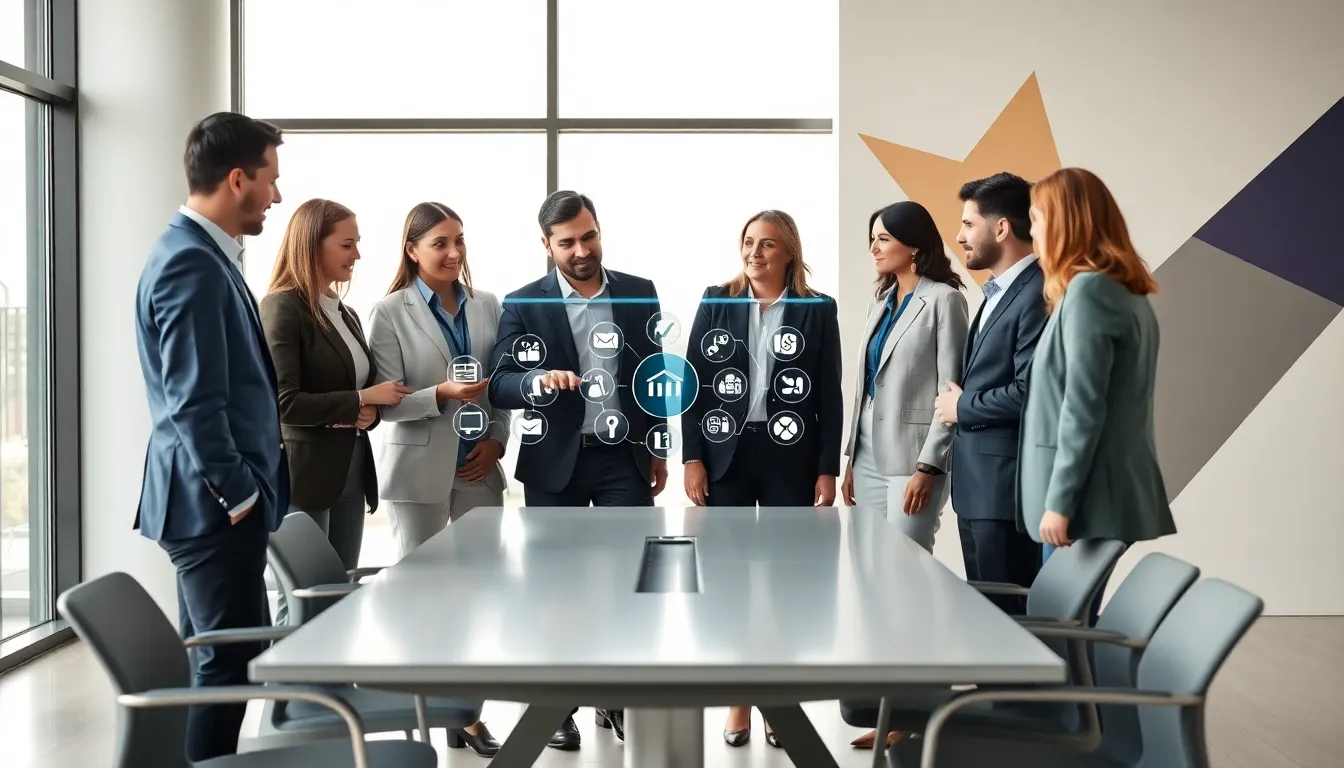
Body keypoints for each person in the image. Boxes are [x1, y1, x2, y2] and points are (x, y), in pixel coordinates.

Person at [487, 190, 667, 750]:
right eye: (567, 243)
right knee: (555, 590)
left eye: (589, 236)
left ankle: (615, 698)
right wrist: (536, 382)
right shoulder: (523, 302)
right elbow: (500, 382)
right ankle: (557, 706)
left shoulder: (639, 291)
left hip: (622, 458)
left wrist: (659, 445)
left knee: (628, 582)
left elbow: (654, 372)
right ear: (547, 245)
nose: (582, 250)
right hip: (554, 463)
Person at [132, 112, 287, 761]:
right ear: (237, 180)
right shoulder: (191, 264)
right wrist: (240, 494)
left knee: (218, 660)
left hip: (209, 502)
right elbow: (195, 402)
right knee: (226, 667)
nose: (277, 194)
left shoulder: (200, 255)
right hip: (213, 505)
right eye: (271, 179)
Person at [680, 210, 843, 749]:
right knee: (728, 583)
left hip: (790, 458)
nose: (755, 252)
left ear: (789, 251)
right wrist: (692, 457)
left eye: (767, 244)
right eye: (749, 242)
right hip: (725, 454)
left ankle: (779, 703)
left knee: (786, 583)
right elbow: (694, 383)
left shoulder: (818, 309)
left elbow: (829, 394)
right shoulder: (716, 300)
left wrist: (826, 467)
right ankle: (738, 701)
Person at [364, 201, 508, 757]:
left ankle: (468, 713)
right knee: (424, 595)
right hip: (418, 467)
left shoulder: (487, 304)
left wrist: (498, 439)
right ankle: (432, 710)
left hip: (478, 466)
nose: (453, 253)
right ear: (412, 249)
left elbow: (502, 386)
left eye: (459, 240)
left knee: (479, 592)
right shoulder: (390, 311)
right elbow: (387, 404)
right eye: (439, 243)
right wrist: (441, 394)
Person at [1019, 167, 1175, 623]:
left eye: (1037, 219)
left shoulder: (1090, 290)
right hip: (1098, 495)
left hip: (1085, 502)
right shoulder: (1122, 291)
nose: (1032, 232)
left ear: (1064, 222)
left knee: (1062, 628)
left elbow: (1083, 407)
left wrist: (1060, 503)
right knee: (1072, 626)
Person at [840, 200, 969, 751]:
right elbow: (865, 385)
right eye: (872, 237)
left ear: (914, 245)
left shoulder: (944, 300)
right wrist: (850, 458)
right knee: (876, 583)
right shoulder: (882, 299)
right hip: (868, 454)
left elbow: (950, 388)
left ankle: (922, 709)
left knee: (909, 582)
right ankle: (891, 707)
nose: (874, 246)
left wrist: (929, 464)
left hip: (914, 457)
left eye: (885, 238)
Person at [259, 199, 408, 593]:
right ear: (312, 244)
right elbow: (283, 403)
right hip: (306, 474)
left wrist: (369, 411)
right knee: (304, 597)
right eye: (346, 244)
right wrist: (359, 399)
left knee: (341, 593)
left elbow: (365, 395)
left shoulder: (347, 313)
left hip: (351, 467)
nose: (356, 255)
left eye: (357, 244)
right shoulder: (282, 307)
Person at [933, 172, 1047, 616]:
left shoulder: (1036, 292)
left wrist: (960, 406)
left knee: (1007, 620)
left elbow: (1030, 392)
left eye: (968, 224)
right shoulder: (998, 292)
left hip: (1004, 490)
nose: (959, 236)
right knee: (986, 616)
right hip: (979, 488)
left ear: (1001, 229)